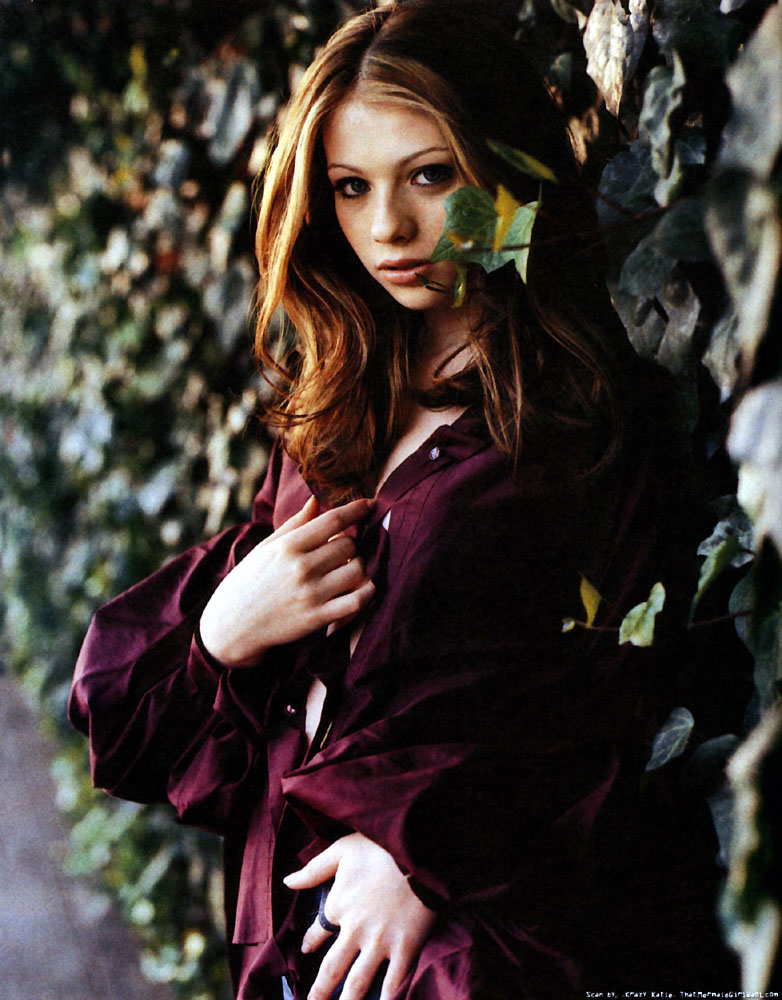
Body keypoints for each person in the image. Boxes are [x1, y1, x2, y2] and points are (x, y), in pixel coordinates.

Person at [69, 1, 736, 998]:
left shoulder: (580, 417)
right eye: (350, 187)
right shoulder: (334, 419)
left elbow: (622, 700)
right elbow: (128, 721)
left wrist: (425, 856)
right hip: (287, 951)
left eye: (429, 175)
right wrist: (221, 632)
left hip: (466, 964)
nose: (387, 227)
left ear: (502, 169)